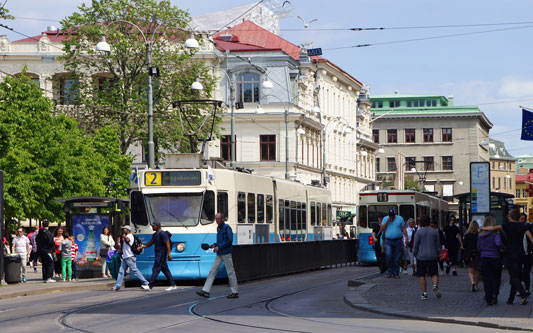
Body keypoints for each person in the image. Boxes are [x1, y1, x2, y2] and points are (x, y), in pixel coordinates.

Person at [483, 210, 533, 305]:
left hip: (510, 253)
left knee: (513, 276)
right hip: (521, 253)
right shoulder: (523, 226)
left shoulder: (507, 225)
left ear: (510, 216)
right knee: (516, 275)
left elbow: (493, 228)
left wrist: (483, 228)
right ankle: (511, 299)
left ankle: (523, 294)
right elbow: (530, 237)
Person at [196, 213, 239, 299]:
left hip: (226, 253)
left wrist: (219, 247)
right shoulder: (219, 228)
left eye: (218, 219)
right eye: (216, 219)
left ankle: (235, 292)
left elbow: (230, 240)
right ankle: (206, 290)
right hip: (220, 253)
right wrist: (214, 244)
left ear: (222, 219)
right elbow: (222, 241)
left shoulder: (227, 228)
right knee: (212, 271)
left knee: (230, 272)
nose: (216, 220)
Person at [138, 221, 177, 291]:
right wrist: (142, 246)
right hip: (158, 254)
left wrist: (169, 254)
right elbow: (149, 244)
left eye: (153, 226)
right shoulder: (155, 235)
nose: (152, 227)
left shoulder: (163, 234)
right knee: (165, 270)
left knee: (155, 269)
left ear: (158, 226)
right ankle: (173, 284)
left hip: (161, 255)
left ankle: (150, 286)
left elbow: (167, 244)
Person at [112, 225, 150, 291]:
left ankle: (145, 282)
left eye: (124, 229)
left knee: (135, 270)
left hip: (130, 256)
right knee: (121, 271)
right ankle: (117, 285)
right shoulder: (126, 236)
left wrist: (124, 237)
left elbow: (128, 240)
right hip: (125, 256)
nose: (123, 230)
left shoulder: (129, 236)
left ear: (128, 230)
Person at [478, 215, 504, 306]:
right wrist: (502, 248)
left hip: (484, 258)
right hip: (495, 257)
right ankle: (494, 294)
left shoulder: (480, 235)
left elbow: (479, 247)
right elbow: (498, 244)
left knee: (486, 279)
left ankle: (488, 298)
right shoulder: (496, 234)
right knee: (496, 278)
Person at [413, 215, 441, 300]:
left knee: (422, 275)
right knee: (434, 273)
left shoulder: (419, 232)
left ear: (421, 222)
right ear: (429, 222)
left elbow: (416, 245)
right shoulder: (435, 232)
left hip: (421, 257)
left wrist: (415, 254)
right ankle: (435, 285)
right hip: (432, 256)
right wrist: (437, 254)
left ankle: (424, 293)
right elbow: (438, 245)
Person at [380, 208, 408, 279]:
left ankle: (396, 273)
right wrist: (387, 222)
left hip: (398, 240)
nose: (391, 217)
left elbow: (404, 229)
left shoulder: (400, 219)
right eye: (390, 215)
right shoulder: (385, 218)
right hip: (388, 240)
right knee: (388, 255)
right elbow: (382, 229)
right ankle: (389, 271)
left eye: (392, 215)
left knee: (397, 257)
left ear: (395, 214)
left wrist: (406, 238)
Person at [463, 221, 480, 292]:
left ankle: (472, 282)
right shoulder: (479, 235)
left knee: (470, 271)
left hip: (469, 254)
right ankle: (475, 285)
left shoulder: (467, 235)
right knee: (476, 270)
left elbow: (464, 245)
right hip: (477, 253)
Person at [520, 213, 532, 295]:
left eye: (524, 219)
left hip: (527, 253)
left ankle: (527, 289)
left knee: (526, 271)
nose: (523, 220)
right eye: (521, 218)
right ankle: (519, 289)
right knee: (518, 272)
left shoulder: (528, 229)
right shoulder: (516, 229)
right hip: (519, 253)